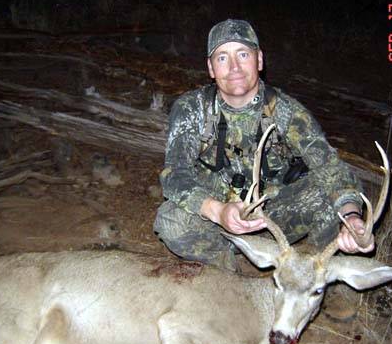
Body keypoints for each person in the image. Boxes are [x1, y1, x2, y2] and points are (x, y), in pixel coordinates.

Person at [154, 19, 374, 271]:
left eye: (243, 54)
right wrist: (218, 211)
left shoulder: (287, 111)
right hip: (217, 220)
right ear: (211, 68)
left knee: (330, 197)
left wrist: (351, 217)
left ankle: (309, 274)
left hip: (274, 220)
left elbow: (331, 169)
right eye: (222, 58)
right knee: (170, 221)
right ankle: (229, 273)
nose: (234, 67)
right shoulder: (192, 108)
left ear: (259, 60)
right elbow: (174, 173)